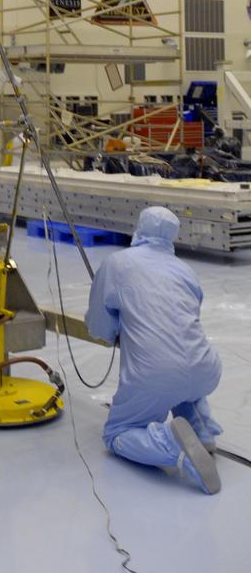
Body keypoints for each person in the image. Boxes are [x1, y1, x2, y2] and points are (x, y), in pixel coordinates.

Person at [86, 205, 223, 494]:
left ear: (140, 228)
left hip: (156, 375)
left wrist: (112, 332)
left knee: (116, 433)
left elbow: (99, 324)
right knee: (183, 381)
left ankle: (174, 448)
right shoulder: (185, 269)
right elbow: (187, 318)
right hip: (205, 368)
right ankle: (204, 432)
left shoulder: (117, 263)